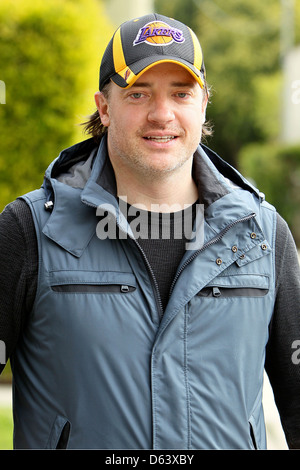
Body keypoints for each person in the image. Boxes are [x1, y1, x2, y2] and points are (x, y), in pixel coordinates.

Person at [0, 13, 300, 450]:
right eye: (138, 93)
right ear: (104, 107)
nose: (162, 114)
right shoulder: (31, 230)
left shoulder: (262, 235)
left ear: (202, 105)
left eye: (181, 93)